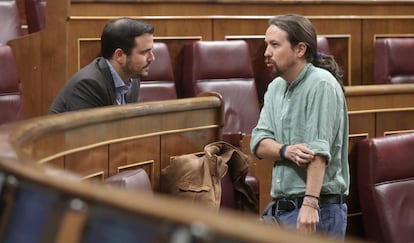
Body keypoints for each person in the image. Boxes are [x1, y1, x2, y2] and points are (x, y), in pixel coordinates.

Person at [250, 14, 349, 240]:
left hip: (317, 211)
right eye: (267, 45)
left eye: (275, 45)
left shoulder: (321, 84)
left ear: (300, 49)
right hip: (282, 210)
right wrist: (286, 150)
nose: (266, 52)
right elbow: (258, 142)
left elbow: (318, 151)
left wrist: (310, 204)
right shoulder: (275, 87)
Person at [48, 18, 155, 114]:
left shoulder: (132, 78)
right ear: (119, 55)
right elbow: (88, 134)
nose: (152, 58)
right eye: (144, 52)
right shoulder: (88, 85)